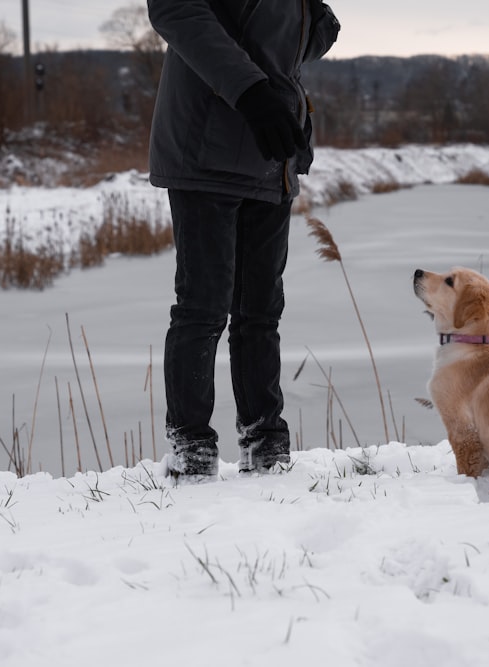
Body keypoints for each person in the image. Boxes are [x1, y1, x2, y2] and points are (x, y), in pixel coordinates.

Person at [146, 0, 340, 478]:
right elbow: (176, 11)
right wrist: (253, 92)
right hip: (206, 150)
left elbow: (291, 44)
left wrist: (320, 19)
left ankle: (265, 444)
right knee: (203, 307)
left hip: (272, 154)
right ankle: (191, 449)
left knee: (261, 312)